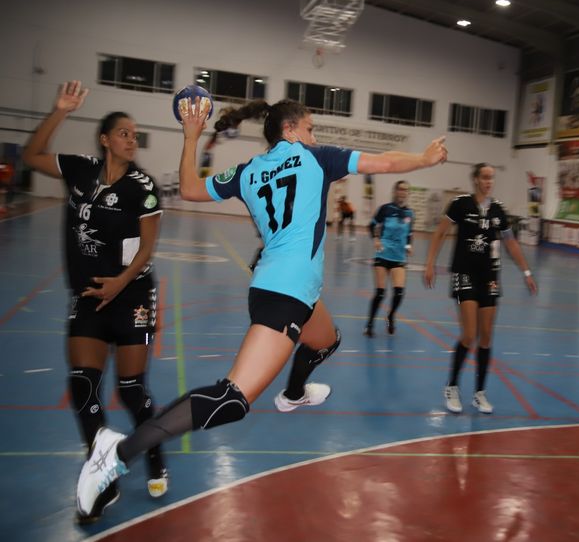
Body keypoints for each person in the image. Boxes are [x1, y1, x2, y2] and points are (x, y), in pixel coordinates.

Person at [75, 95, 448, 518]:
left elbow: (192, 189)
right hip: (286, 294)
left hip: (282, 287)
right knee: (231, 400)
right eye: (310, 128)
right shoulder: (317, 157)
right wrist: (423, 159)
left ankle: (293, 394)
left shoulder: (248, 170)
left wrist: (191, 137)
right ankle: (117, 454)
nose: (314, 136)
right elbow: (385, 162)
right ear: (290, 130)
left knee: (326, 340)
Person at [22, 81, 168, 522]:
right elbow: (31, 155)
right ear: (105, 139)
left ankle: (154, 451)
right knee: (83, 386)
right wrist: (60, 110)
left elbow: (147, 248)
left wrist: (119, 283)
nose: (132, 139)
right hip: (87, 298)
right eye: (124, 133)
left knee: (131, 390)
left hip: (133, 296)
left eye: (135, 134)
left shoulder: (144, 186)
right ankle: (101, 474)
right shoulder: (80, 169)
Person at [424, 163, 537, 415]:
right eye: (485, 177)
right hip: (464, 273)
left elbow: (511, 243)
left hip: (490, 277)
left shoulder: (498, 210)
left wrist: (526, 272)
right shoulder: (460, 204)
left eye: (491, 178)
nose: (489, 182)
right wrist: (430, 263)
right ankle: (452, 387)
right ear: (476, 179)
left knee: (486, 336)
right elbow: (440, 233)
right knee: (469, 334)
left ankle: (479, 394)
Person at [364, 180, 414, 337]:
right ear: (395, 191)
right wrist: (376, 239)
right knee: (380, 293)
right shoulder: (385, 209)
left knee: (399, 293)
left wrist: (408, 246)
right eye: (400, 189)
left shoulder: (410, 213)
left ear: (408, 193)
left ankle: (391, 316)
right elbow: (371, 225)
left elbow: (409, 233)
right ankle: (370, 324)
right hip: (383, 254)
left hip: (399, 257)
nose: (403, 192)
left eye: (405, 190)